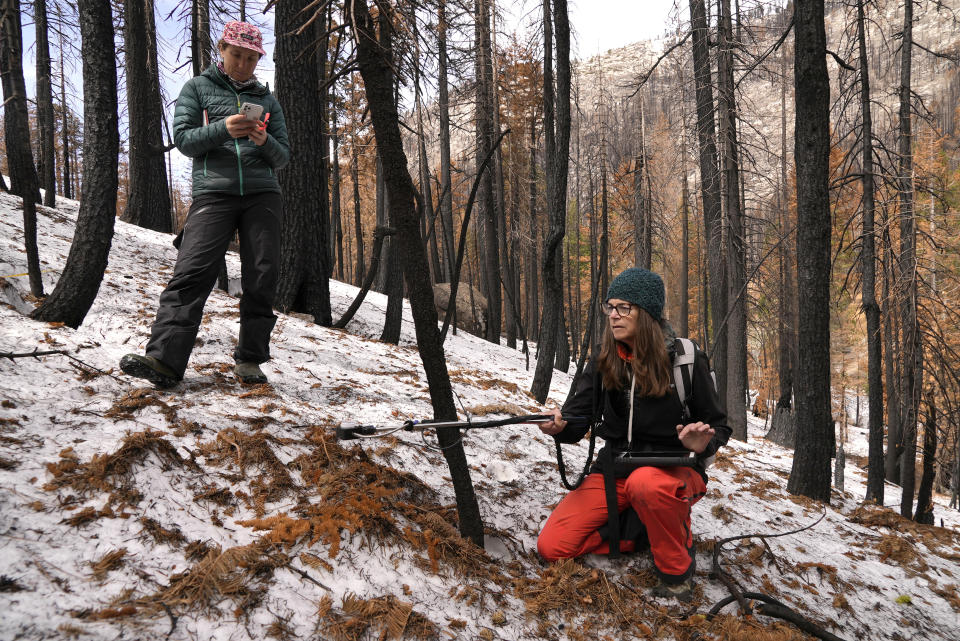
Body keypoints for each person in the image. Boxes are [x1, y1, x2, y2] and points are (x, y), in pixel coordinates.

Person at [536, 267, 730, 601]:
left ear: (648, 313)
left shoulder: (685, 359)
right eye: (610, 307)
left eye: (624, 308)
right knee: (553, 546)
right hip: (614, 470)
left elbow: (719, 424)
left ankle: (677, 572)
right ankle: (645, 530)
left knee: (646, 484)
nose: (613, 316)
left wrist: (702, 443)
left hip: (672, 472)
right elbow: (577, 418)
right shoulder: (603, 360)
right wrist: (561, 427)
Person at [121, 21, 290, 388]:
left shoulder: (268, 100)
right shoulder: (197, 87)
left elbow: (282, 157)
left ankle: (250, 361)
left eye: (251, 58)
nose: (244, 64)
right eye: (237, 56)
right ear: (222, 51)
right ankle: (163, 360)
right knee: (192, 271)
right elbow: (183, 140)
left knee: (262, 275)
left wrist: (262, 141)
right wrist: (222, 129)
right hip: (213, 192)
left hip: (263, 194)